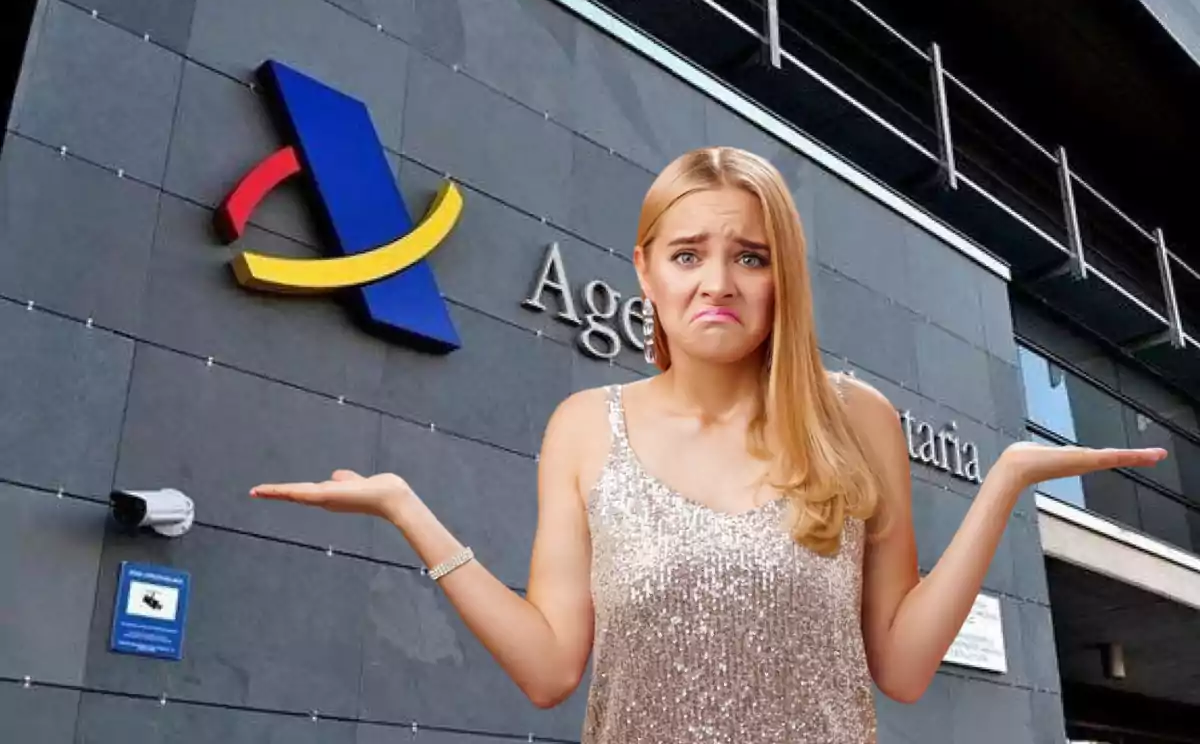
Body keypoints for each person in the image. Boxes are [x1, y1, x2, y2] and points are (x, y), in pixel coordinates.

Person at [249, 147, 1167, 743]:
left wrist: (1002, 483)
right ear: (645, 270)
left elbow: (903, 667)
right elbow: (547, 671)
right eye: (687, 254)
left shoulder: (857, 420)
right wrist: (409, 512)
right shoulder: (584, 428)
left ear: (783, 277)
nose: (717, 283)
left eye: (751, 256)